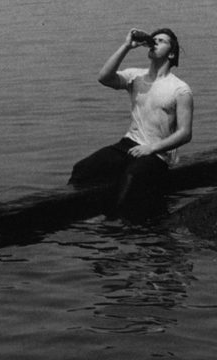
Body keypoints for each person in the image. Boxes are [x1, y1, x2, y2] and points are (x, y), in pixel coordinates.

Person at [69, 27, 193, 219]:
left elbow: (185, 133)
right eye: (154, 39)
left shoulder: (180, 89)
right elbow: (104, 77)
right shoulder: (136, 76)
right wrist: (127, 46)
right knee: (82, 169)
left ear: (172, 53)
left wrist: (151, 148)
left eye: (162, 41)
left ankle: (116, 225)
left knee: (132, 177)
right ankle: (74, 214)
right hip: (128, 144)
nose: (155, 42)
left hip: (157, 154)